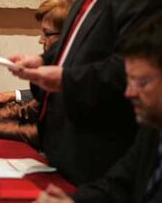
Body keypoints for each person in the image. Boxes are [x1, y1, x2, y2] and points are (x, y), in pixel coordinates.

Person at [8, 0, 162, 185]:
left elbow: (129, 68)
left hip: (102, 154)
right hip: (66, 146)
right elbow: (75, 44)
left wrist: (64, 78)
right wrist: (42, 60)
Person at [35, 13, 162, 203]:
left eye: (141, 83)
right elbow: (116, 186)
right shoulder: (152, 131)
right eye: (129, 81)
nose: (129, 93)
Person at [0, 0, 76, 149]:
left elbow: (48, 134)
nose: (40, 40)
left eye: (46, 33)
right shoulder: (60, 62)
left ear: (68, 36)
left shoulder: (76, 73)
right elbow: (32, 108)